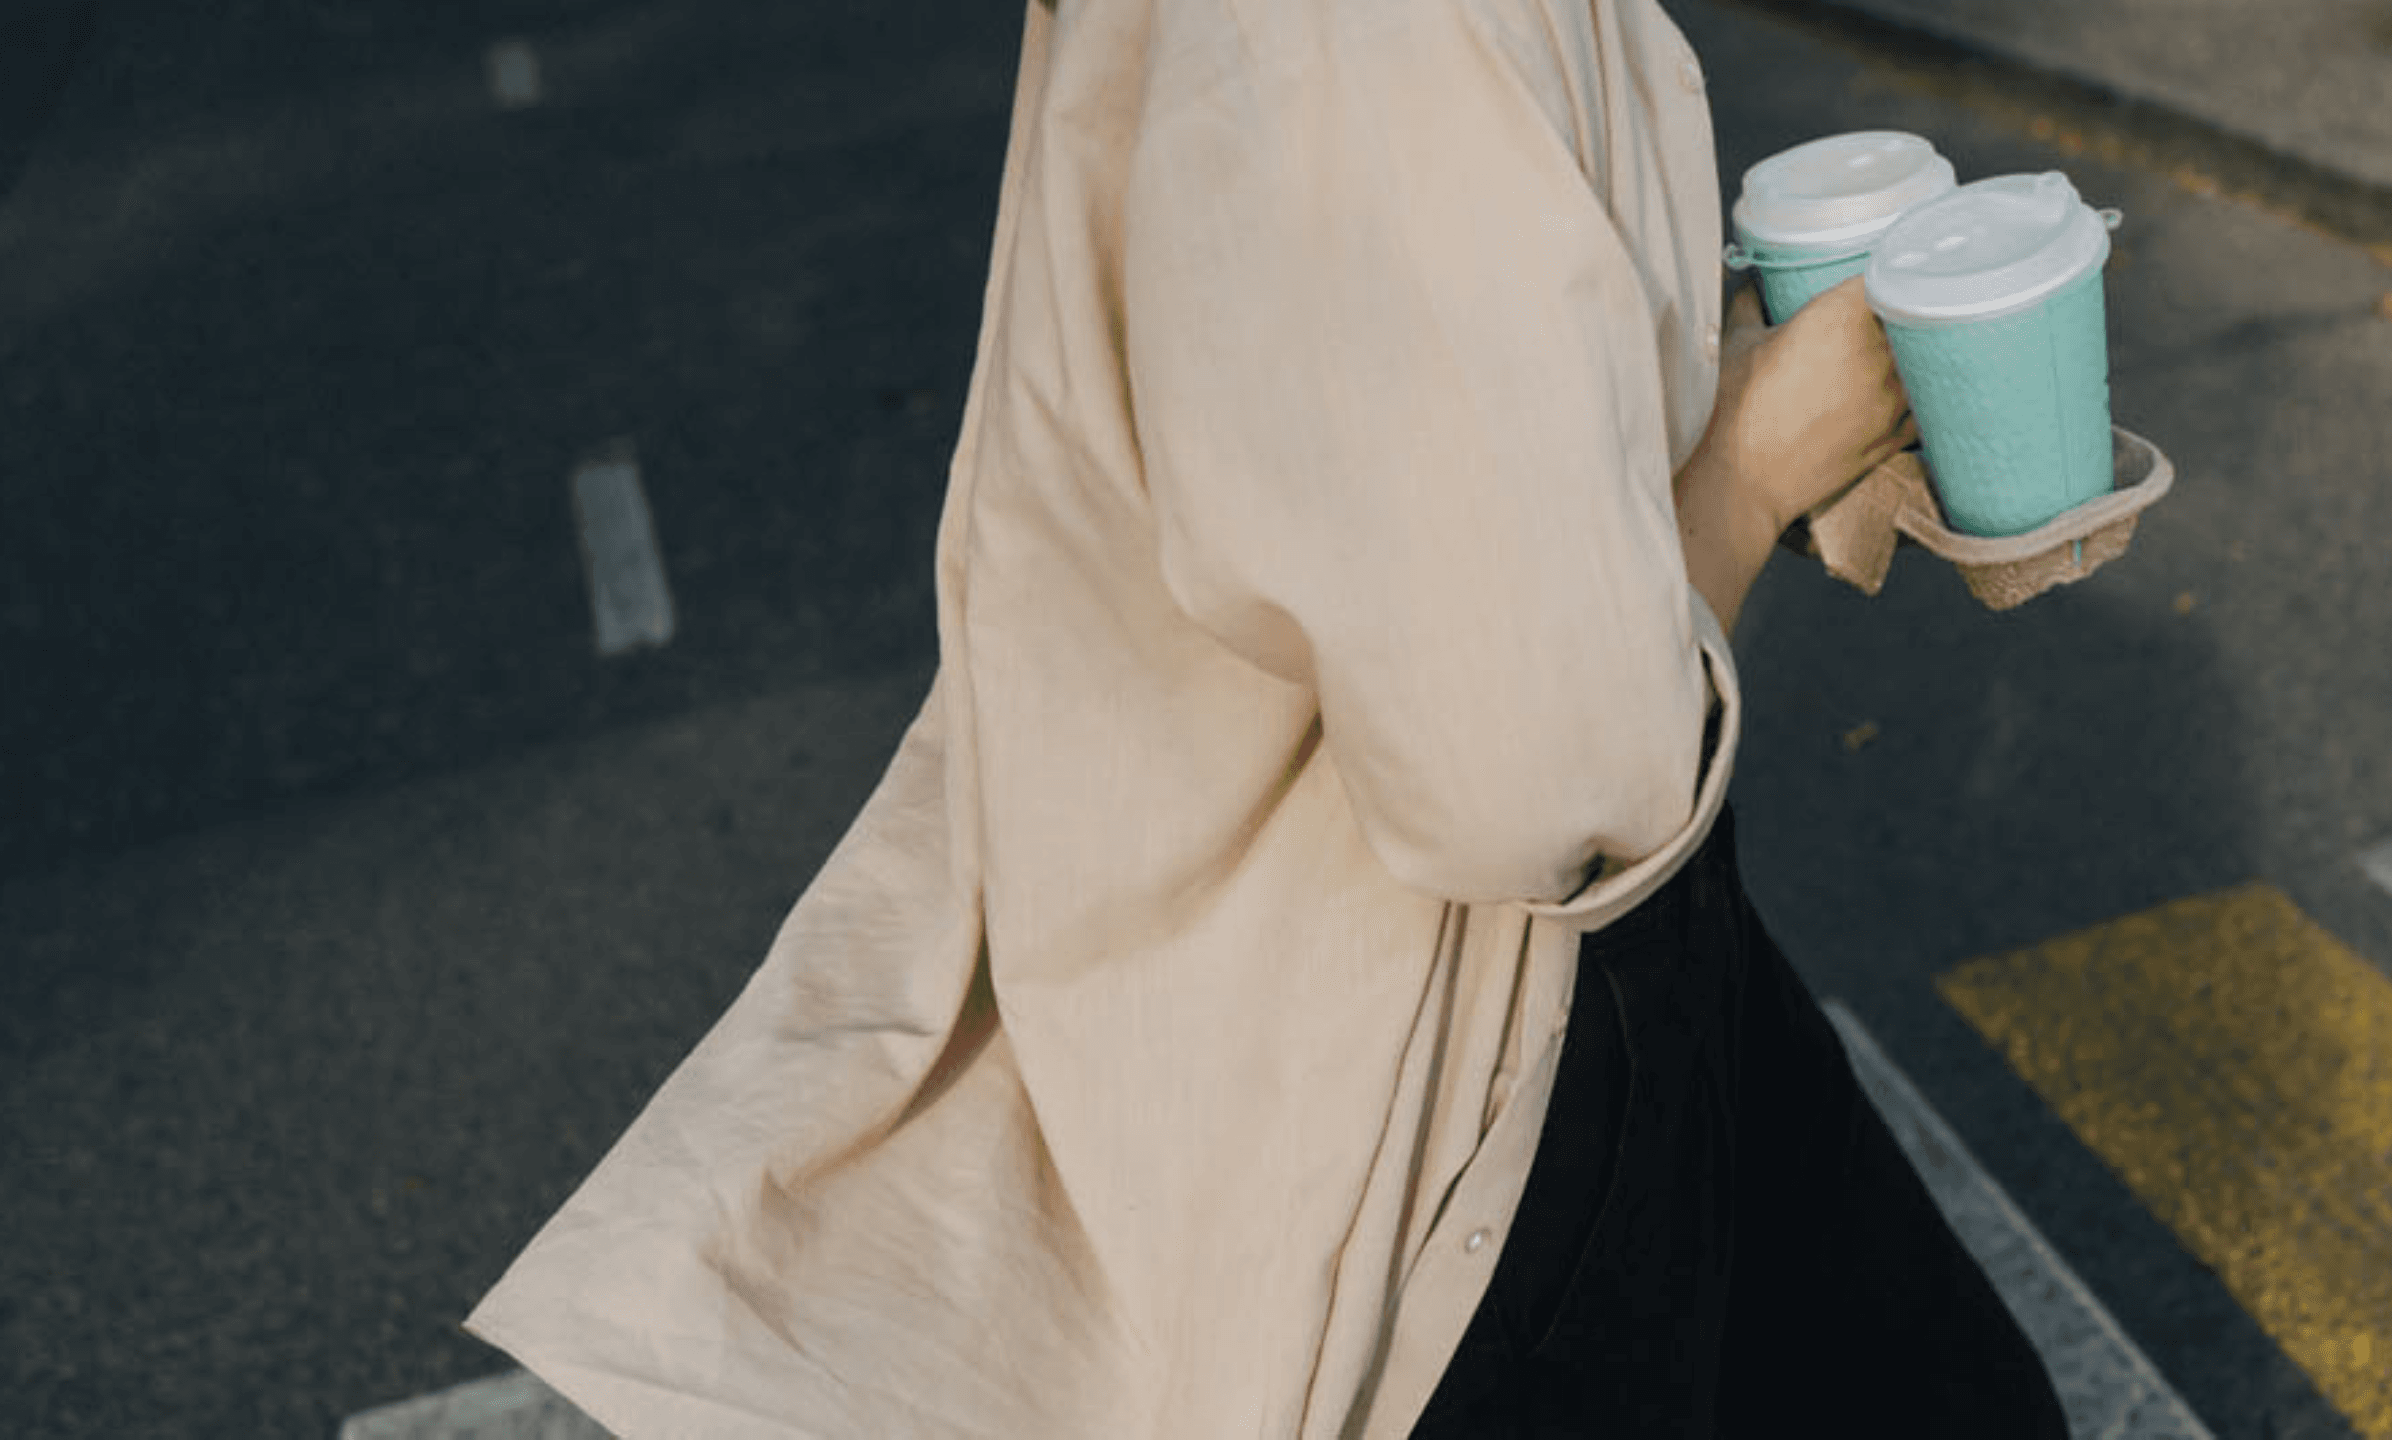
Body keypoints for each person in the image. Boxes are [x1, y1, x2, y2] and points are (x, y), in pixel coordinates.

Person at [465, 0, 2066, 1435]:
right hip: (1459, 1063)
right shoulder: (1362, 34)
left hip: (1549, 977)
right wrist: (1762, 468)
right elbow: (1531, 771)